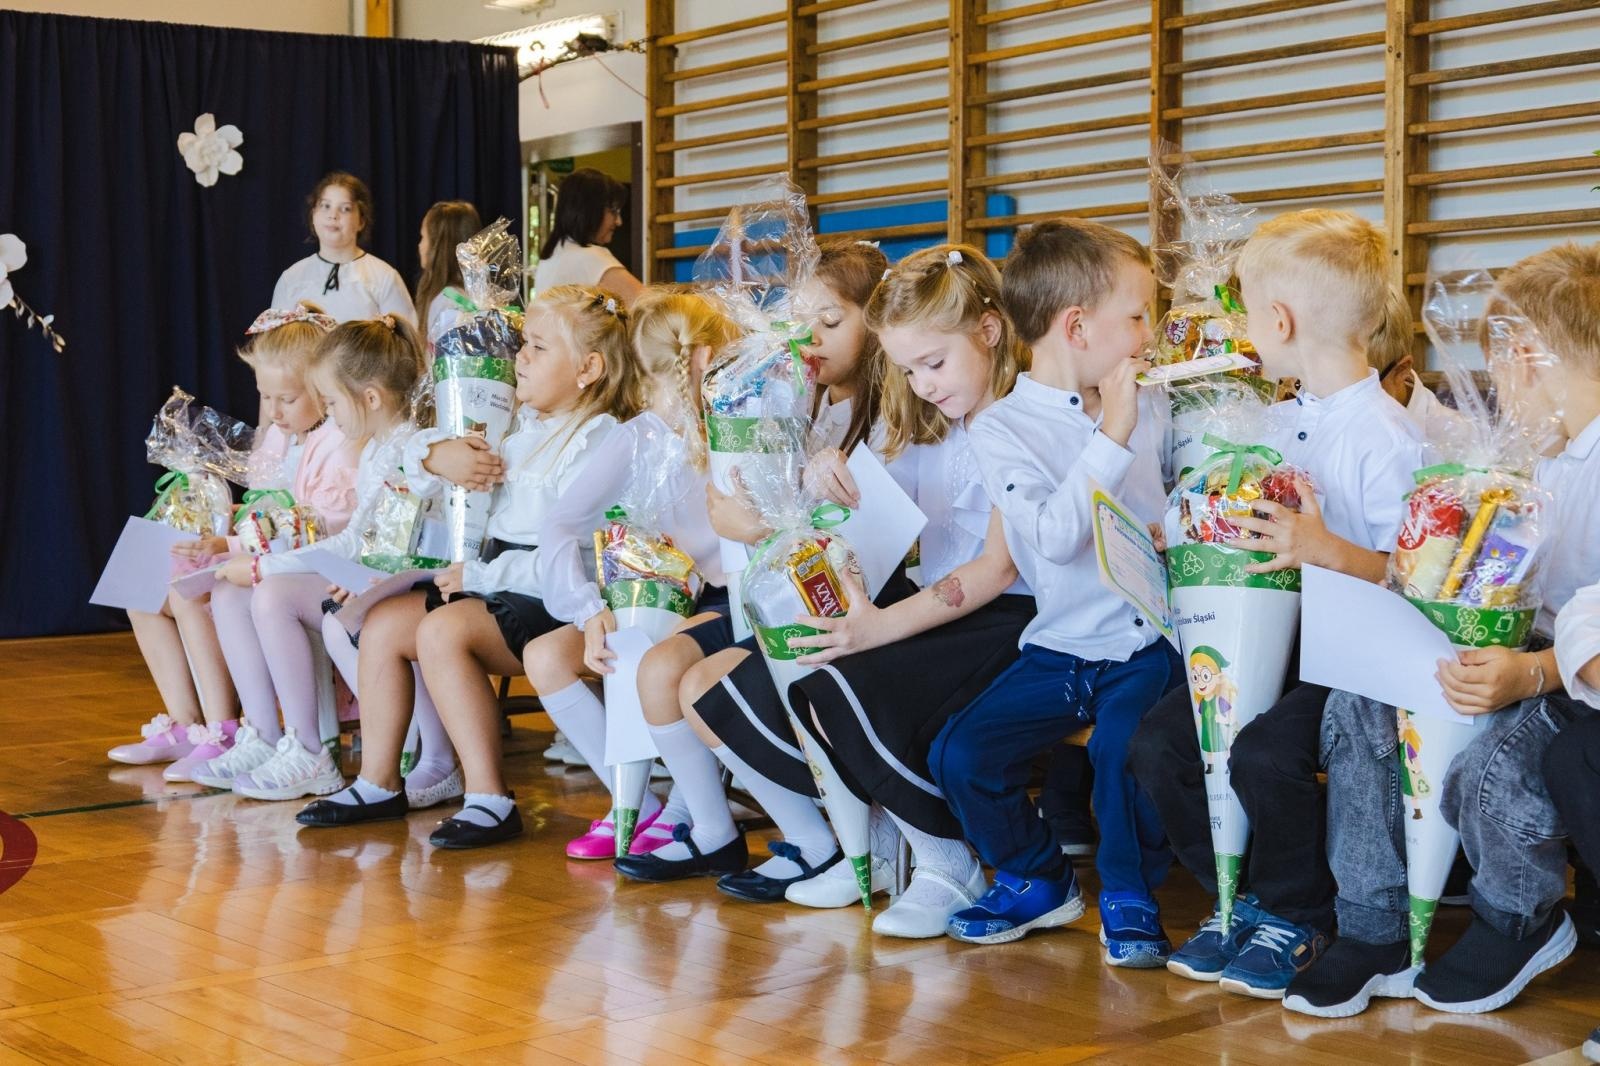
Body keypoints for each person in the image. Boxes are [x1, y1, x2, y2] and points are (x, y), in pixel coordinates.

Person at [1287, 242, 1600, 1017]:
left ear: (1528, 358)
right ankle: (1373, 925)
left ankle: (1515, 917)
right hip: (1513, 649)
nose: (1498, 394)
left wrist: (1531, 675)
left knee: (1494, 769)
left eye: (1499, 372)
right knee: (1357, 710)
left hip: (1560, 675)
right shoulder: (1550, 459)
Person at [1127, 209, 1425, 997]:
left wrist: (1325, 549)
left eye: (1249, 314)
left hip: (1353, 657)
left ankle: (1298, 912)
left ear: (1280, 321)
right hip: (1271, 638)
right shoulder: (1271, 418)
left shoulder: (1384, 436)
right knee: (1161, 747)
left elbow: (1421, 577)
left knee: (1263, 755)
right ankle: (1245, 895)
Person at [294, 286, 644, 843]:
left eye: (537, 347)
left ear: (589, 368)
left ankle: (489, 794)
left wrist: (481, 576)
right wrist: (438, 454)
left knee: (442, 629)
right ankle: (380, 782)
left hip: (550, 597)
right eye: (522, 344)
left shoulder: (597, 441)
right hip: (490, 583)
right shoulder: (519, 424)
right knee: (385, 626)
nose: (520, 358)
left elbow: (577, 561)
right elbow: (409, 455)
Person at [927, 220, 1181, 962]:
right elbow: (1052, 537)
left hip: (1144, 642)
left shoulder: (1152, 404)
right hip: (1061, 644)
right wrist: (1115, 431)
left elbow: (1168, 504)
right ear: (1077, 326)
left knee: (1122, 753)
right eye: (1137, 317)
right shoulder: (1001, 426)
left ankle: (1130, 891)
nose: (1147, 333)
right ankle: (1038, 878)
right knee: (961, 752)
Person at [775, 243, 1035, 937]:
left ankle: (947, 860)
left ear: (989, 330)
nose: (921, 384)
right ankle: (910, 851)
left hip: (1019, 615)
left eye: (934, 364)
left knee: (850, 680)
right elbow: (874, 519)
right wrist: (827, 474)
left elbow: (999, 570)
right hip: (953, 604)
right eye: (909, 369)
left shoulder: (1016, 423)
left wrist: (880, 627)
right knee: (820, 677)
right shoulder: (932, 425)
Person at [201, 315, 428, 801]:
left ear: (366, 397)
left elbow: (350, 532)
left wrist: (259, 559)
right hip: (352, 569)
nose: (325, 413)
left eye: (325, 401)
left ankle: (308, 746)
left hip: (379, 579)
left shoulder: (383, 447)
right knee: (230, 595)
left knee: (272, 598)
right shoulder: (367, 450)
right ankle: (267, 736)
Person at [273, 172, 416, 324]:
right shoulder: (291, 278)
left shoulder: (384, 277)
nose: (333, 215)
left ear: (361, 221)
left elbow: (406, 340)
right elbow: (276, 344)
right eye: (325, 206)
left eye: (345, 209)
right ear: (313, 214)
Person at [533, 168, 642, 306]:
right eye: (613, 211)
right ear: (591, 209)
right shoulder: (590, 257)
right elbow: (649, 308)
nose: (618, 221)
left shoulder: (551, 256)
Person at [414, 200, 483, 344]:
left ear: (438, 246)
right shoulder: (473, 296)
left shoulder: (448, 301)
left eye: (423, 237)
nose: (420, 245)